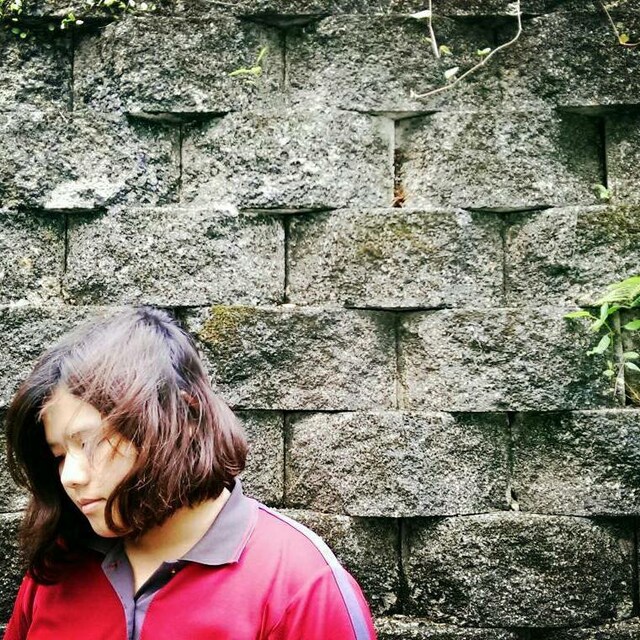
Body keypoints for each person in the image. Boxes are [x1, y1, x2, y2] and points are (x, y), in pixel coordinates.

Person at [3, 307, 377, 640]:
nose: (70, 476)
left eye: (89, 443)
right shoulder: (56, 568)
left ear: (183, 416)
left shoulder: (300, 584)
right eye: (59, 455)